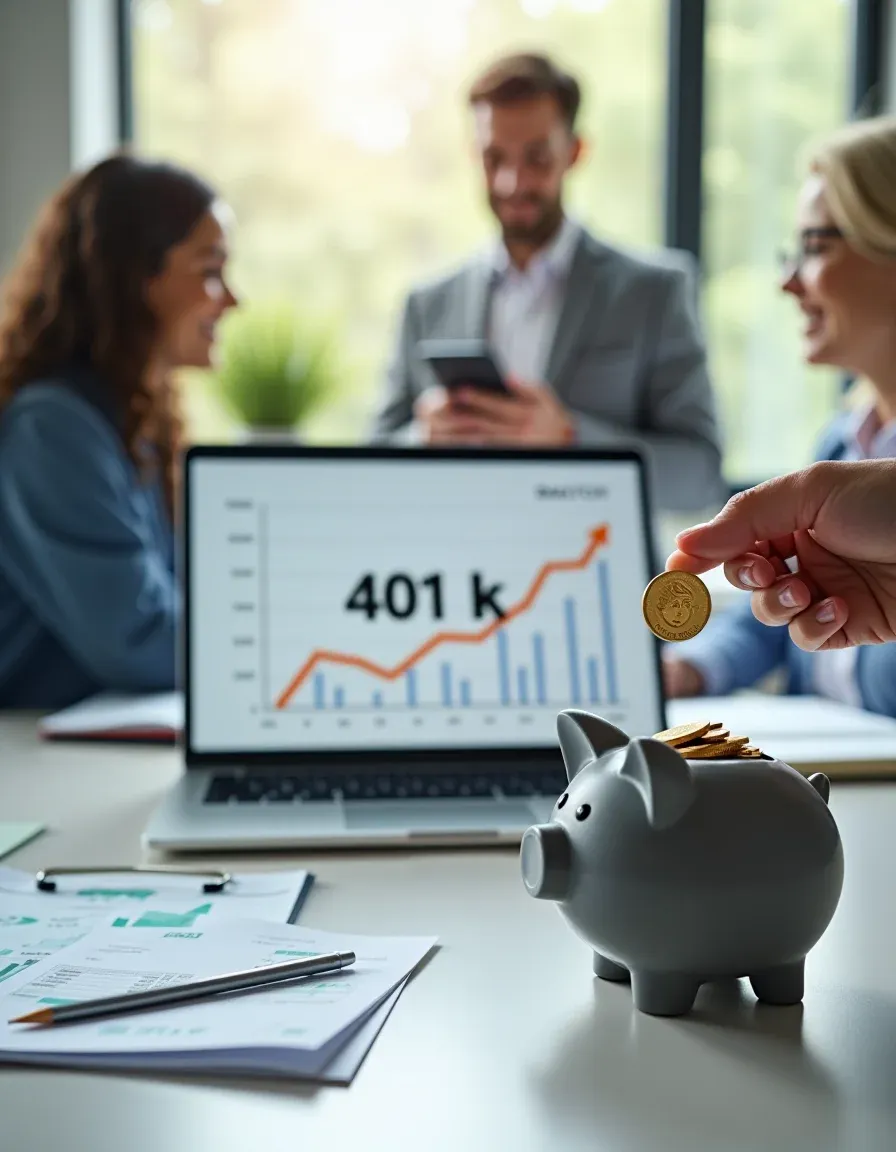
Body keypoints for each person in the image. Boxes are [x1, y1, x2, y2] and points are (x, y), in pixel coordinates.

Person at [367, 52, 725, 514]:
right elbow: (370, 467)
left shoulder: (654, 293)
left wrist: (571, 437)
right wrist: (422, 437)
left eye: (536, 158)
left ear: (575, 152)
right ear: (473, 155)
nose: (513, 182)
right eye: (494, 158)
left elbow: (698, 479)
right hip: (455, 576)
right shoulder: (426, 304)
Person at [664, 115, 896, 715]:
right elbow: (779, 613)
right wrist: (690, 668)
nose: (789, 281)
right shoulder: (843, 441)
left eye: (816, 247)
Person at [0, 154, 238, 709]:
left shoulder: (133, 421)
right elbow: (138, 641)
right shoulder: (52, 430)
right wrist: (275, 645)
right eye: (209, 270)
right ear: (138, 280)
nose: (230, 299)